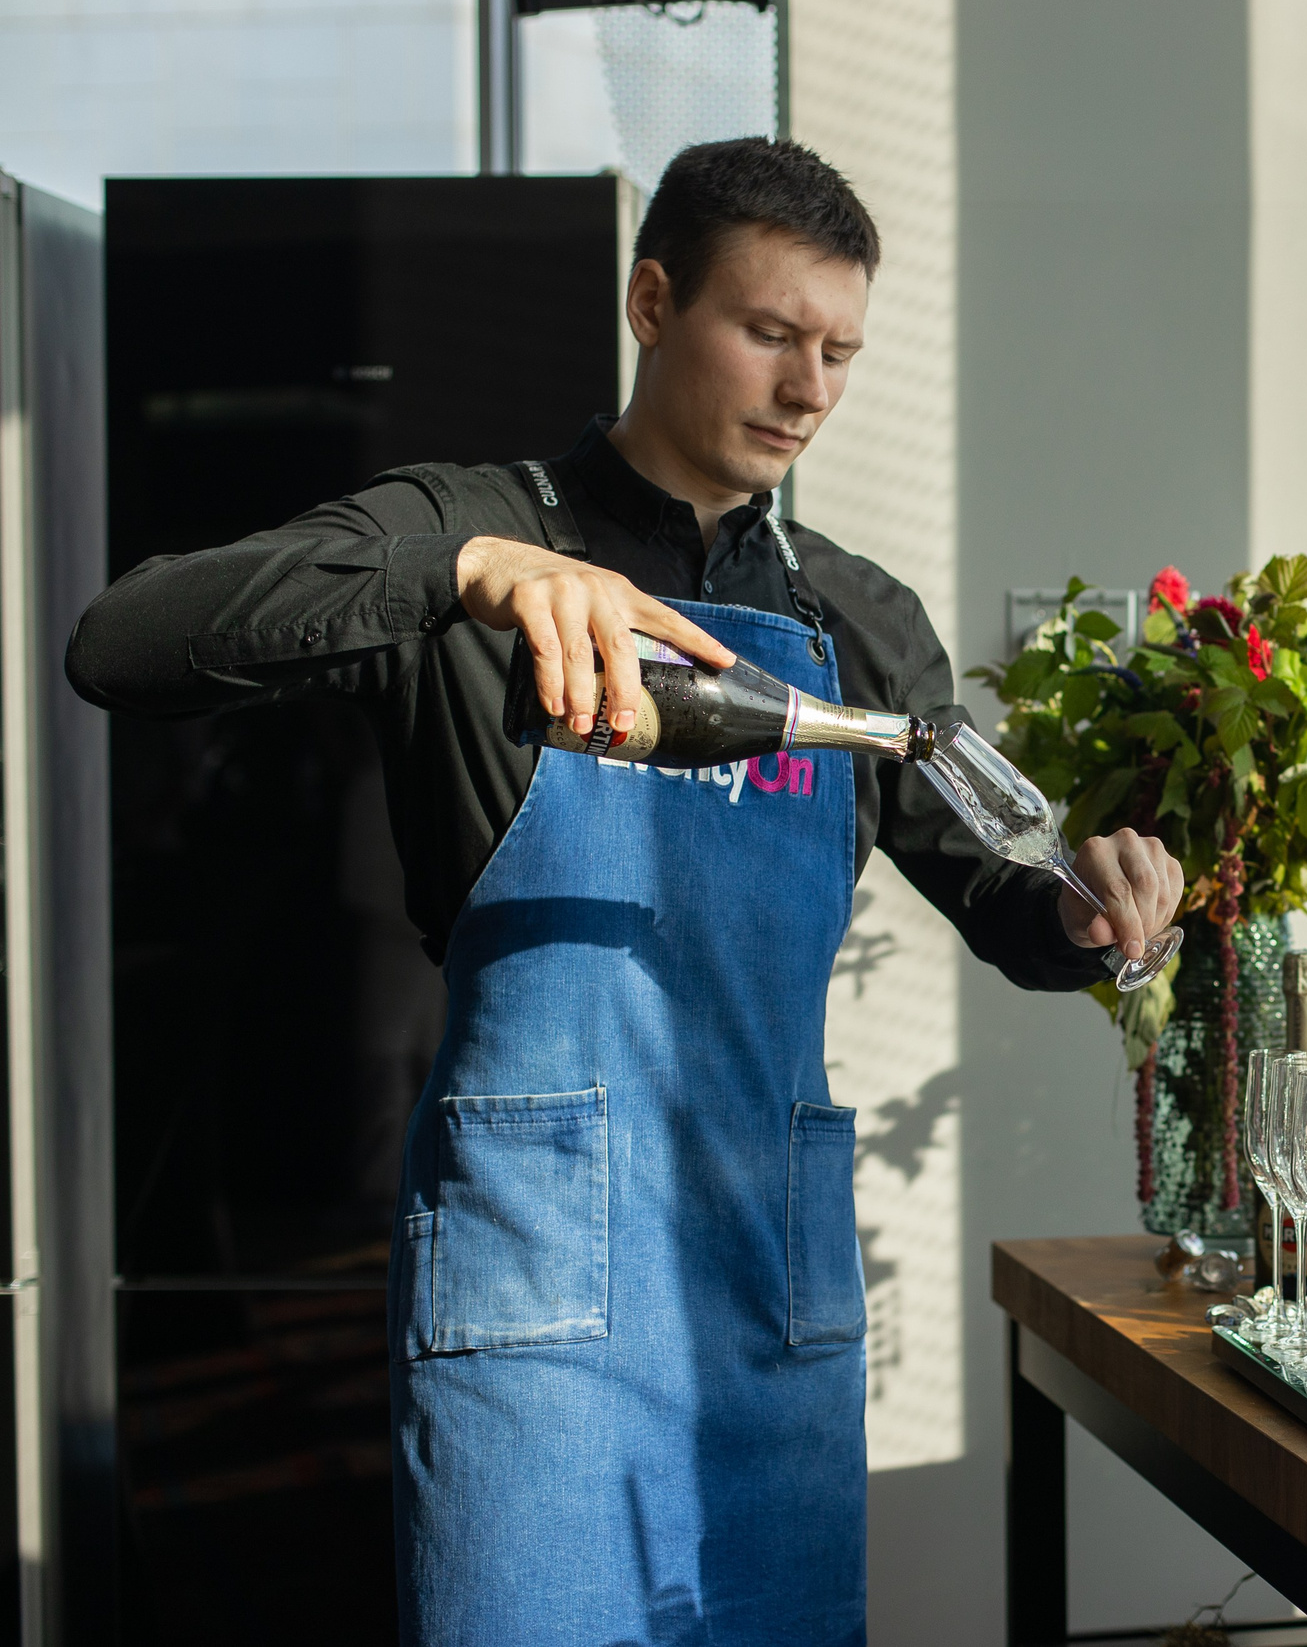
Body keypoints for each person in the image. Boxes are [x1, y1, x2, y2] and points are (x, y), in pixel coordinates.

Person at [66, 137, 1184, 1646]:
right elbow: (124, 641)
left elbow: (1007, 895)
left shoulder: (856, 621)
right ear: (652, 301)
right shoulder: (471, 530)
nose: (808, 390)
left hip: (769, 1302)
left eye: (841, 351)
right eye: (770, 334)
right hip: (533, 1314)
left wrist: (1088, 906)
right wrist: (464, 573)